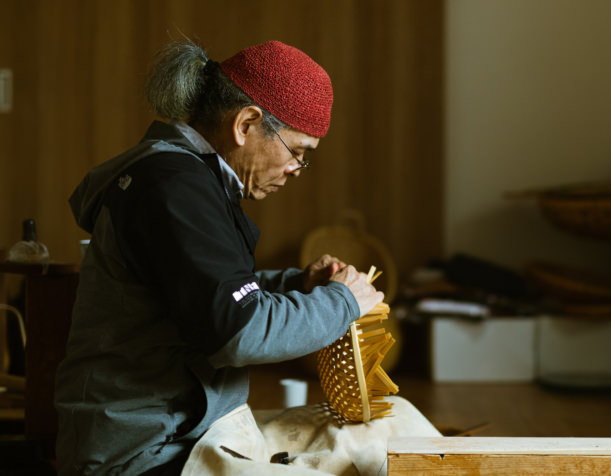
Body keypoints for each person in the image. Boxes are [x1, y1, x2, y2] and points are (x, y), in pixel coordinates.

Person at [54, 40, 384, 475]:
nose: (296, 170)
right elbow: (238, 333)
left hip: (178, 432)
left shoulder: (186, 178)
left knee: (374, 445)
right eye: (297, 152)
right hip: (142, 452)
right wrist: (342, 304)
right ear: (246, 123)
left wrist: (295, 286)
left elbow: (205, 295)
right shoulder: (173, 187)